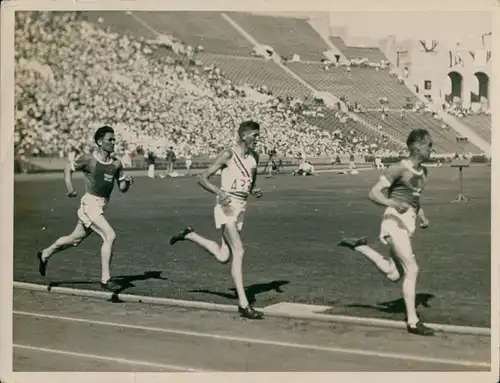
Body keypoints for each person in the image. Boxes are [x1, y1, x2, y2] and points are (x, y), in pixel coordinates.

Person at [337, 128, 434, 336]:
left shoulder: (424, 172)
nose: (431, 149)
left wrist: (421, 214)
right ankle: (413, 321)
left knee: (393, 273)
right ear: (417, 147)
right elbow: (373, 193)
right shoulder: (398, 168)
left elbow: (414, 199)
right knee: (412, 270)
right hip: (393, 222)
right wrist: (391, 202)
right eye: (429, 145)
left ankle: (360, 246)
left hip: (406, 224)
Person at [169, 120, 264, 319]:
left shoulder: (255, 156)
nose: (258, 139)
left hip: (241, 207)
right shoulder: (228, 154)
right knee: (239, 250)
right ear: (244, 135)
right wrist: (219, 192)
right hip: (225, 207)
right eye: (255, 135)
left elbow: (250, 180)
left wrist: (253, 190)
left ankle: (189, 235)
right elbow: (202, 177)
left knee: (223, 256)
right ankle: (243, 303)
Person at [36, 126, 134, 292]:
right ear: (99, 142)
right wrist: (69, 187)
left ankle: (45, 254)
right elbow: (68, 167)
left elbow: (122, 188)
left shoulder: (117, 164)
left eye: (114, 139)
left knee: (74, 240)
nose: (113, 142)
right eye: (110, 139)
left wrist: (127, 182)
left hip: (101, 205)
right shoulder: (89, 160)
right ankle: (106, 279)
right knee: (109, 235)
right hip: (90, 204)